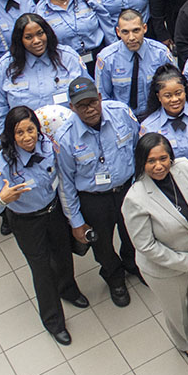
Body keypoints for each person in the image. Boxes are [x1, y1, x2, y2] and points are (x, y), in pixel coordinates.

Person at [0, 105, 89, 346]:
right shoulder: (2, 163)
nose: (27, 137)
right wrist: (3, 199)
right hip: (27, 222)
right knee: (42, 270)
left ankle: (68, 289)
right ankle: (53, 320)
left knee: (63, 255)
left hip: (53, 212)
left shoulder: (49, 147)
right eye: (20, 133)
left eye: (31, 130)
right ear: (11, 135)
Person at [121, 133, 188, 362]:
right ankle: (185, 341)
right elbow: (145, 245)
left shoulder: (184, 168)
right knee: (175, 309)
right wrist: (186, 261)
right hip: (164, 267)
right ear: (141, 163)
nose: (158, 166)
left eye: (163, 158)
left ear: (171, 157)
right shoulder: (135, 198)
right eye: (151, 161)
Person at [56, 77, 140, 305]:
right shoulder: (64, 138)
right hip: (94, 200)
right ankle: (114, 277)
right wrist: (76, 221)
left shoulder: (122, 113)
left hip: (127, 190)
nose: (89, 109)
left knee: (133, 233)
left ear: (101, 98)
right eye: (82, 105)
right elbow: (66, 183)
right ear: (71, 108)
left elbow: (137, 148)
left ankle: (132, 263)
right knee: (101, 246)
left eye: (93, 102)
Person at [0, 13, 90, 136]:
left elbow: (88, 96)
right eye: (28, 37)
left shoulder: (68, 58)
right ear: (20, 40)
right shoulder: (6, 66)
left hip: (71, 135)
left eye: (40, 34)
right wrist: (7, 142)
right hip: (27, 141)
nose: (36, 41)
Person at [95, 8, 173, 118]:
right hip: (122, 118)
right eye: (125, 32)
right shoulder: (106, 59)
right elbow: (103, 98)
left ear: (144, 28)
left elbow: (174, 87)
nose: (131, 37)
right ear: (118, 32)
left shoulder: (161, 53)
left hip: (157, 116)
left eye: (136, 30)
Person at [35, 0, 112, 66]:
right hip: (67, 63)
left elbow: (106, 23)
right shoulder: (42, 9)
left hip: (98, 56)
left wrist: (112, 52)